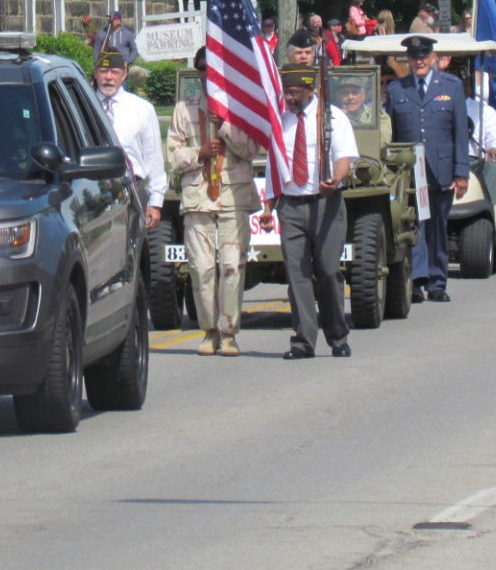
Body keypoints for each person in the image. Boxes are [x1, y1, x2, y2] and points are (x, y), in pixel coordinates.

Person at [258, 65, 358, 359]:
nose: (288, 97)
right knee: (296, 273)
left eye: (295, 92)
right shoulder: (280, 121)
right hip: (291, 205)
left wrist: (335, 180)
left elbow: (344, 158)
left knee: (328, 271)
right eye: (286, 92)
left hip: (326, 203)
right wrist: (268, 207)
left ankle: (338, 337)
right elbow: (272, 166)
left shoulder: (332, 118)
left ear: (310, 90)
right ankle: (303, 340)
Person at [166, 72, 261, 357]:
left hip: (234, 194)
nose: (213, 78)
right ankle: (209, 331)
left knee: (232, 265)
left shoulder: (241, 110)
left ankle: (229, 332)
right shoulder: (185, 109)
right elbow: (172, 156)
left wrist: (226, 128)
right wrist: (200, 151)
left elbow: (253, 149)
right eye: (206, 71)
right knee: (201, 268)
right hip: (198, 196)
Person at [383, 35, 469, 303]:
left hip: (440, 170)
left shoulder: (451, 86)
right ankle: (417, 280)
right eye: (414, 57)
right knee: (413, 225)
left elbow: (459, 133)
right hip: (409, 173)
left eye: (424, 57)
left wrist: (461, 172)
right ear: (407, 60)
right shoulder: (397, 89)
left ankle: (437, 281)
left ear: (433, 58)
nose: (419, 61)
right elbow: (391, 133)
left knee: (437, 228)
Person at [91, 49, 166, 229]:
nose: (108, 77)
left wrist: (155, 202)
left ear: (124, 75)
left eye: (115, 72)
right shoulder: (85, 105)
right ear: (95, 73)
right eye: (103, 71)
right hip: (93, 191)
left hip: (130, 188)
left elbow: (153, 156)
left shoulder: (141, 108)